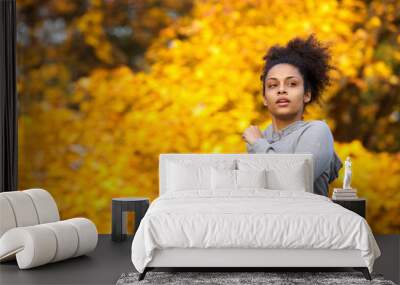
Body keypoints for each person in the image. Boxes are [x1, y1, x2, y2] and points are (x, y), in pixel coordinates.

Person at [242, 34, 342, 197]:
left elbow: (295, 183)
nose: (281, 90)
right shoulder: (262, 136)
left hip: (306, 220)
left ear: (306, 95)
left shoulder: (317, 131)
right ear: (265, 98)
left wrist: (258, 144)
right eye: (273, 85)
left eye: (292, 84)